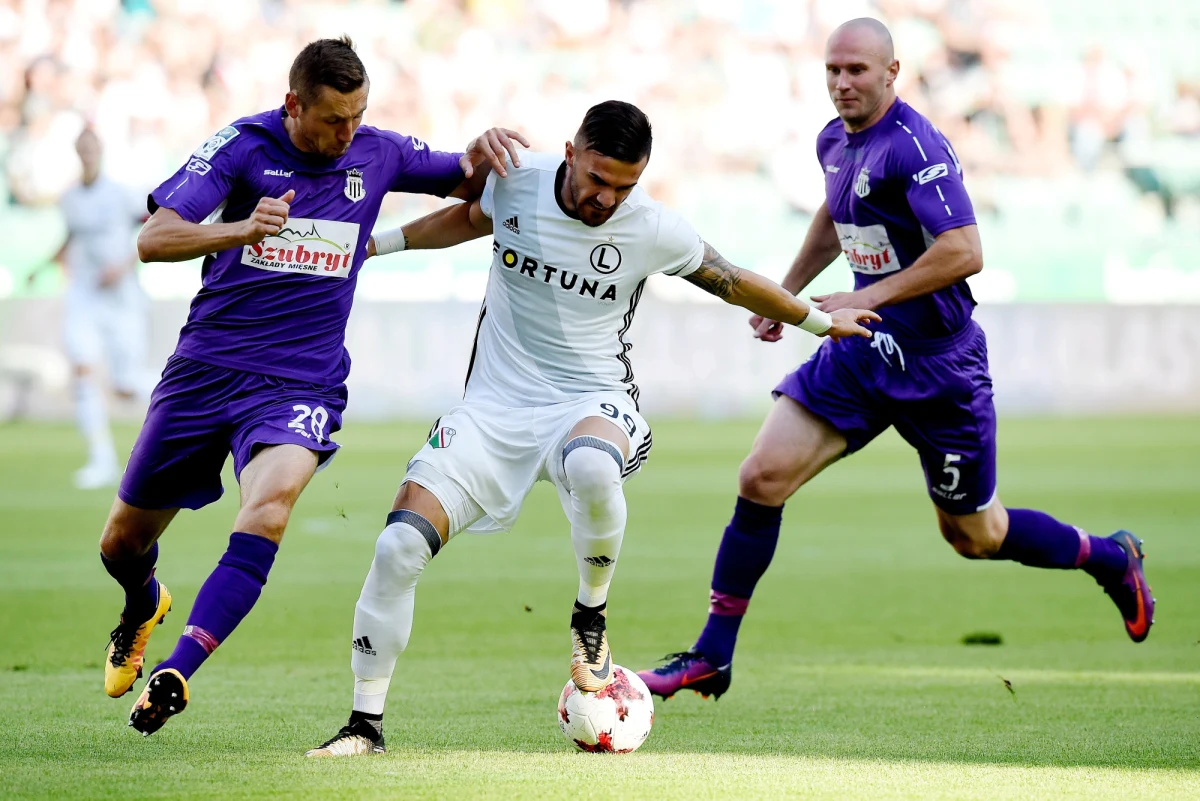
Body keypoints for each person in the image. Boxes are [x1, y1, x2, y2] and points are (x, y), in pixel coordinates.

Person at [305, 100, 880, 757]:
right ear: (571, 151)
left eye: (623, 186)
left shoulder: (651, 227)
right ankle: (364, 725)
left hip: (593, 398)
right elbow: (466, 218)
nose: (606, 197)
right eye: (597, 179)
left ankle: (590, 615)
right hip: (492, 410)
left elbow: (729, 278)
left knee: (590, 465)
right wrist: (373, 246)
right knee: (397, 549)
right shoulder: (518, 179)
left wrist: (814, 318)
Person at [638, 18, 1155, 702]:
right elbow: (834, 215)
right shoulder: (834, 141)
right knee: (761, 476)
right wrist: (786, 294)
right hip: (861, 349)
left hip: (940, 367)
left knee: (977, 534)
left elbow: (965, 249)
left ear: (891, 72)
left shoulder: (913, 146)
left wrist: (864, 293)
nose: (842, 83)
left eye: (856, 70)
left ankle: (1112, 557)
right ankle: (711, 655)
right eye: (832, 71)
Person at [98, 36, 528, 737]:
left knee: (268, 509)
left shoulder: (378, 151)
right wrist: (241, 228)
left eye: (359, 116)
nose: (349, 133)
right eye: (334, 119)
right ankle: (142, 603)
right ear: (294, 104)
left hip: (301, 380)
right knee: (121, 542)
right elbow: (154, 237)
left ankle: (178, 668)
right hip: (206, 370)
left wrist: (483, 150)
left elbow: (475, 183)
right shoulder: (242, 146)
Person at [28, 129, 150, 489]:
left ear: (100, 150)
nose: (87, 152)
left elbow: (152, 228)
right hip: (84, 294)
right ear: (77, 151)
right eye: (81, 147)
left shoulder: (121, 194)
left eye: (92, 146)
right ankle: (101, 461)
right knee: (82, 372)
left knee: (125, 386)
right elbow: (71, 237)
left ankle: (190, 407)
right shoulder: (68, 198)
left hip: (121, 297)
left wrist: (126, 264)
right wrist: (43, 266)